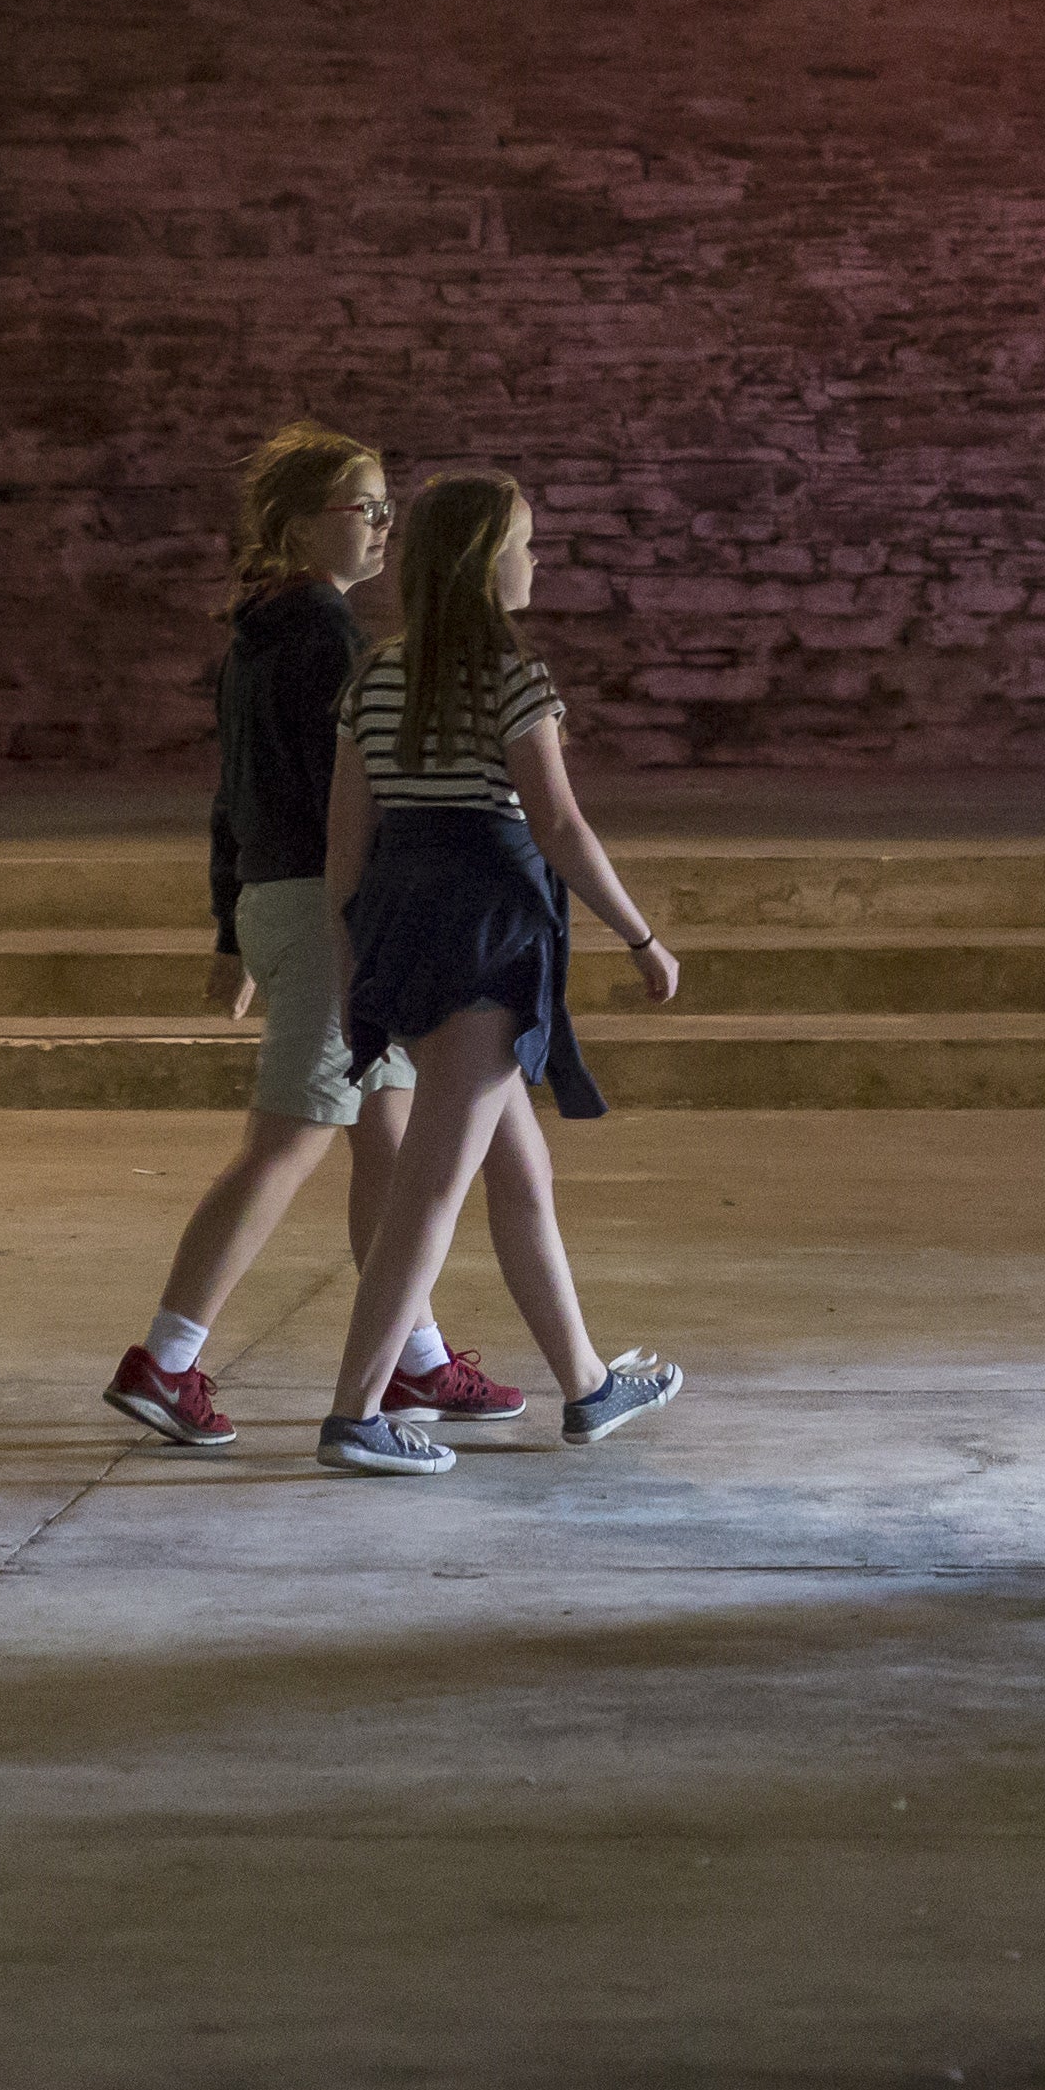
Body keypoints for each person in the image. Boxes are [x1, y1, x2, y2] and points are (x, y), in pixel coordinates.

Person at [100, 423, 526, 1453]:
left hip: (277, 901)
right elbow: (346, 805)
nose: (385, 525)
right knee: (288, 1140)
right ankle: (166, 1354)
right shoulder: (326, 639)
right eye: (365, 506)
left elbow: (230, 798)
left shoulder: (258, 629)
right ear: (300, 524)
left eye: (386, 507)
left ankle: (415, 1357)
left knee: (383, 1137)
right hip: (324, 911)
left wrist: (227, 930)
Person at [311, 472, 688, 1478]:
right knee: (431, 1186)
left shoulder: (374, 678)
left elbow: (345, 851)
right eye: (526, 542)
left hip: (407, 918)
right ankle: (353, 1412)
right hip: (485, 925)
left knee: (521, 1171)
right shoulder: (515, 678)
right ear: (486, 563)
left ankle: (588, 1382)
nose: (538, 558)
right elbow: (557, 822)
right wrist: (641, 935)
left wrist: (354, 971)